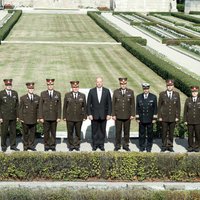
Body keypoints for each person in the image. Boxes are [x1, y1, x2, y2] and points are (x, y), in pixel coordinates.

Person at [87, 77, 112, 151]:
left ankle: (101, 145)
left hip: (104, 115)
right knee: (94, 131)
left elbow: (109, 104)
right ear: (96, 83)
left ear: (102, 82)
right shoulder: (92, 91)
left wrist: (109, 114)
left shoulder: (106, 91)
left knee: (102, 130)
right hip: (94, 115)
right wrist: (89, 114)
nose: (99, 83)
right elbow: (88, 104)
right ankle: (95, 145)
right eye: (97, 82)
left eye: (100, 82)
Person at [112, 78, 135, 151]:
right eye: (121, 84)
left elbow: (132, 104)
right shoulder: (116, 92)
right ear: (120, 84)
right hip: (118, 115)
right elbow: (113, 104)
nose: (123, 85)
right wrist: (113, 114)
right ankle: (117, 145)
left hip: (127, 115)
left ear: (126, 84)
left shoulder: (130, 92)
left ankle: (126, 145)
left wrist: (132, 114)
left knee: (126, 131)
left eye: (124, 84)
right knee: (118, 131)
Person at [63, 81, 87, 151]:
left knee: (78, 132)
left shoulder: (82, 95)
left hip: (79, 117)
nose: (75, 88)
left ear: (78, 87)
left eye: (76, 87)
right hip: (69, 117)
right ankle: (70, 145)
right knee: (70, 132)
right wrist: (64, 116)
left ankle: (76, 145)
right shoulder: (67, 95)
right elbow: (65, 106)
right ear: (72, 87)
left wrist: (85, 116)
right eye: (74, 87)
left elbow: (84, 106)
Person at [158, 79, 181, 152]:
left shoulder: (176, 94)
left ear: (173, 86)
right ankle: (164, 146)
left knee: (171, 132)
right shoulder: (162, 94)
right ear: (166, 86)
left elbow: (178, 106)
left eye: (171, 85)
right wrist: (159, 116)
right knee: (164, 132)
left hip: (173, 117)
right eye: (168, 85)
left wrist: (177, 116)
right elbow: (159, 106)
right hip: (164, 117)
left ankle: (170, 146)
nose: (169, 87)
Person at [39, 79, 61, 151]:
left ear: (53, 85)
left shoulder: (57, 94)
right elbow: (40, 106)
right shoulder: (43, 94)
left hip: (54, 117)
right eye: (49, 85)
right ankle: (46, 145)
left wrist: (58, 116)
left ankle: (53, 145)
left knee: (53, 132)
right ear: (47, 85)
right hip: (46, 117)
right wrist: (41, 117)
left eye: (51, 84)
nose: (50, 86)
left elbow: (59, 106)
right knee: (46, 132)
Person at [136, 83, 157, 152]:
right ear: (143, 89)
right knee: (141, 133)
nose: (146, 90)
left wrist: (154, 118)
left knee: (150, 133)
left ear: (149, 89)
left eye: (147, 89)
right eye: (144, 89)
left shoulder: (153, 97)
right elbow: (137, 108)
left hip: (150, 118)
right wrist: (137, 117)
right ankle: (141, 147)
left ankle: (149, 147)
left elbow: (155, 108)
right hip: (142, 118)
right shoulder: (139, 97)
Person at [19, 82, 40, 151]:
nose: (31, 90)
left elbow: (38, 109)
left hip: (33, 118)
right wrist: (21, 118)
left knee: (32, 133)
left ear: (34, 89)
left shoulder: (37, 97)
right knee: (25, 133)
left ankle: (31, 145)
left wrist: (38, 118)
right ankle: (25, 146)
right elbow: (20, 109)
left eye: (32, 88)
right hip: (25, 119)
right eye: (30, 88)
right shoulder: (23, 98)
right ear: (27, 89)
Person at [0, 79, 19, 152]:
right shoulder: (1, 93)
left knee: (13, 132)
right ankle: (3, 146)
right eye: (7, 85)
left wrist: (17, 116)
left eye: (10, 85)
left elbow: (17, 105)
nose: (9, 86)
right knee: (4, 132)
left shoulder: (15, 93)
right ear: (5, 86)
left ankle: (13, 146)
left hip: (13, 116)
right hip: (4, 116)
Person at [183, 86, 200, 152]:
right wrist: (185, 120)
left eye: (195, 92)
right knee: (190, 134)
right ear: (191, 92)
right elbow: (185, 111)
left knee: (198, 134)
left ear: (197, 92)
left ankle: (197, 146)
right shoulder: (188, 100)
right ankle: (190, 146)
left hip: (198, 121)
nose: (194, 93)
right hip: (189, 121)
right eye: (193, 92)